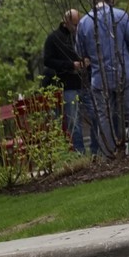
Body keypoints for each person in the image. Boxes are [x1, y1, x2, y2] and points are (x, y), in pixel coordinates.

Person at [77, 0, 129, 154]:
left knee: (104, 117)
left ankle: (109, 154)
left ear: (94, 3)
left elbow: (80, 52)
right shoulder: (120, 15)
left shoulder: (84, 22)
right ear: (111, 2)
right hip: (125, 72)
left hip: (99, 77)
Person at [40, 10, 90, 153]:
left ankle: (96, 149)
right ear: (66, 22)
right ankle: (80, 152)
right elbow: (48, 61)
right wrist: (70, 65)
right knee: (73, 121)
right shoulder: (53, 39)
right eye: (74, 24)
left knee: (94, 114)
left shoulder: (79, 37)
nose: (77, 27)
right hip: (68, 84)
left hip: (84, 82)